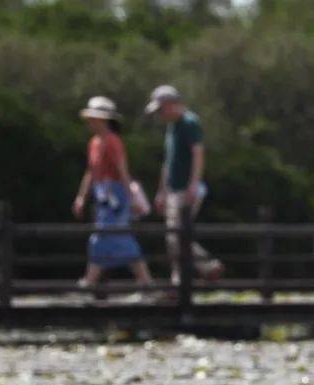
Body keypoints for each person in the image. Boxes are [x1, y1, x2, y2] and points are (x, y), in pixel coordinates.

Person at [72, 96, 153, 290]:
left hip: (115, 195)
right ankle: (143, 282)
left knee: (111, 235)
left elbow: (122, 170)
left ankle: (92, 282)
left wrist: (131, 197)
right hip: (102, 194)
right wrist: (81, 196)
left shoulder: (113, 141)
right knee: (106, 235)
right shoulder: (93, 143)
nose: (90, 122)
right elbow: (91, 171)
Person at [145, 84, 223, 285]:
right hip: (173, 189)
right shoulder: (172, 127)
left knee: (176, 234)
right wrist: (162, 190)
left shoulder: (189, 123)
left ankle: (196, 271)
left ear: (171, 104)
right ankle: (183, 277)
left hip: (185, 188)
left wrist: (193, 185)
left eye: (161, 109)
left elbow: (198, 155)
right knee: (174, 236)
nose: (160, 115)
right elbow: (168, 162)